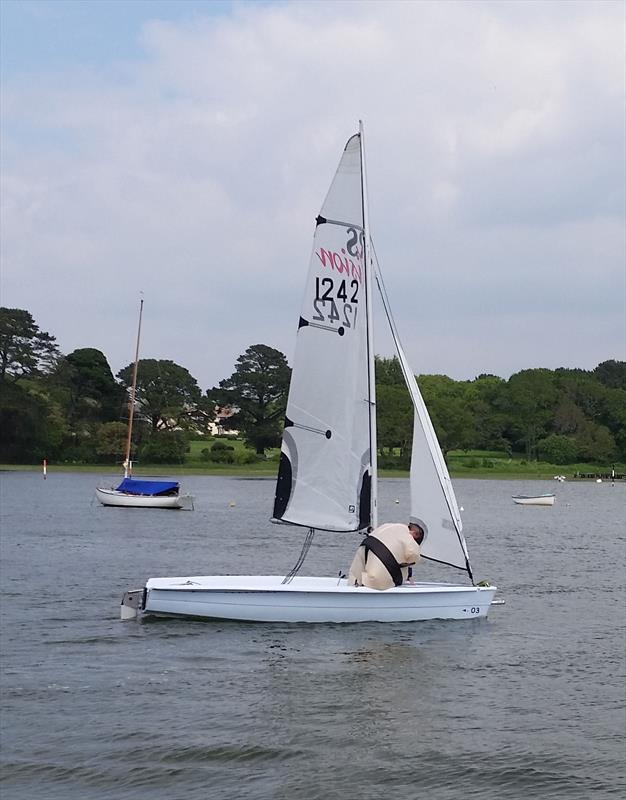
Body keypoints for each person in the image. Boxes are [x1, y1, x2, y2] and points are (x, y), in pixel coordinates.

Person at [347, 517, 427, 590]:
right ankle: (367, 582)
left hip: (365, 547)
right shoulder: (409, 537)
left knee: (357, 572)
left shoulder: (390, 526)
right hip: (377, 578)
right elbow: (413, 555)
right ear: (415, 534)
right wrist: (408, 570)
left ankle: (354, 582)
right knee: (377, 577)